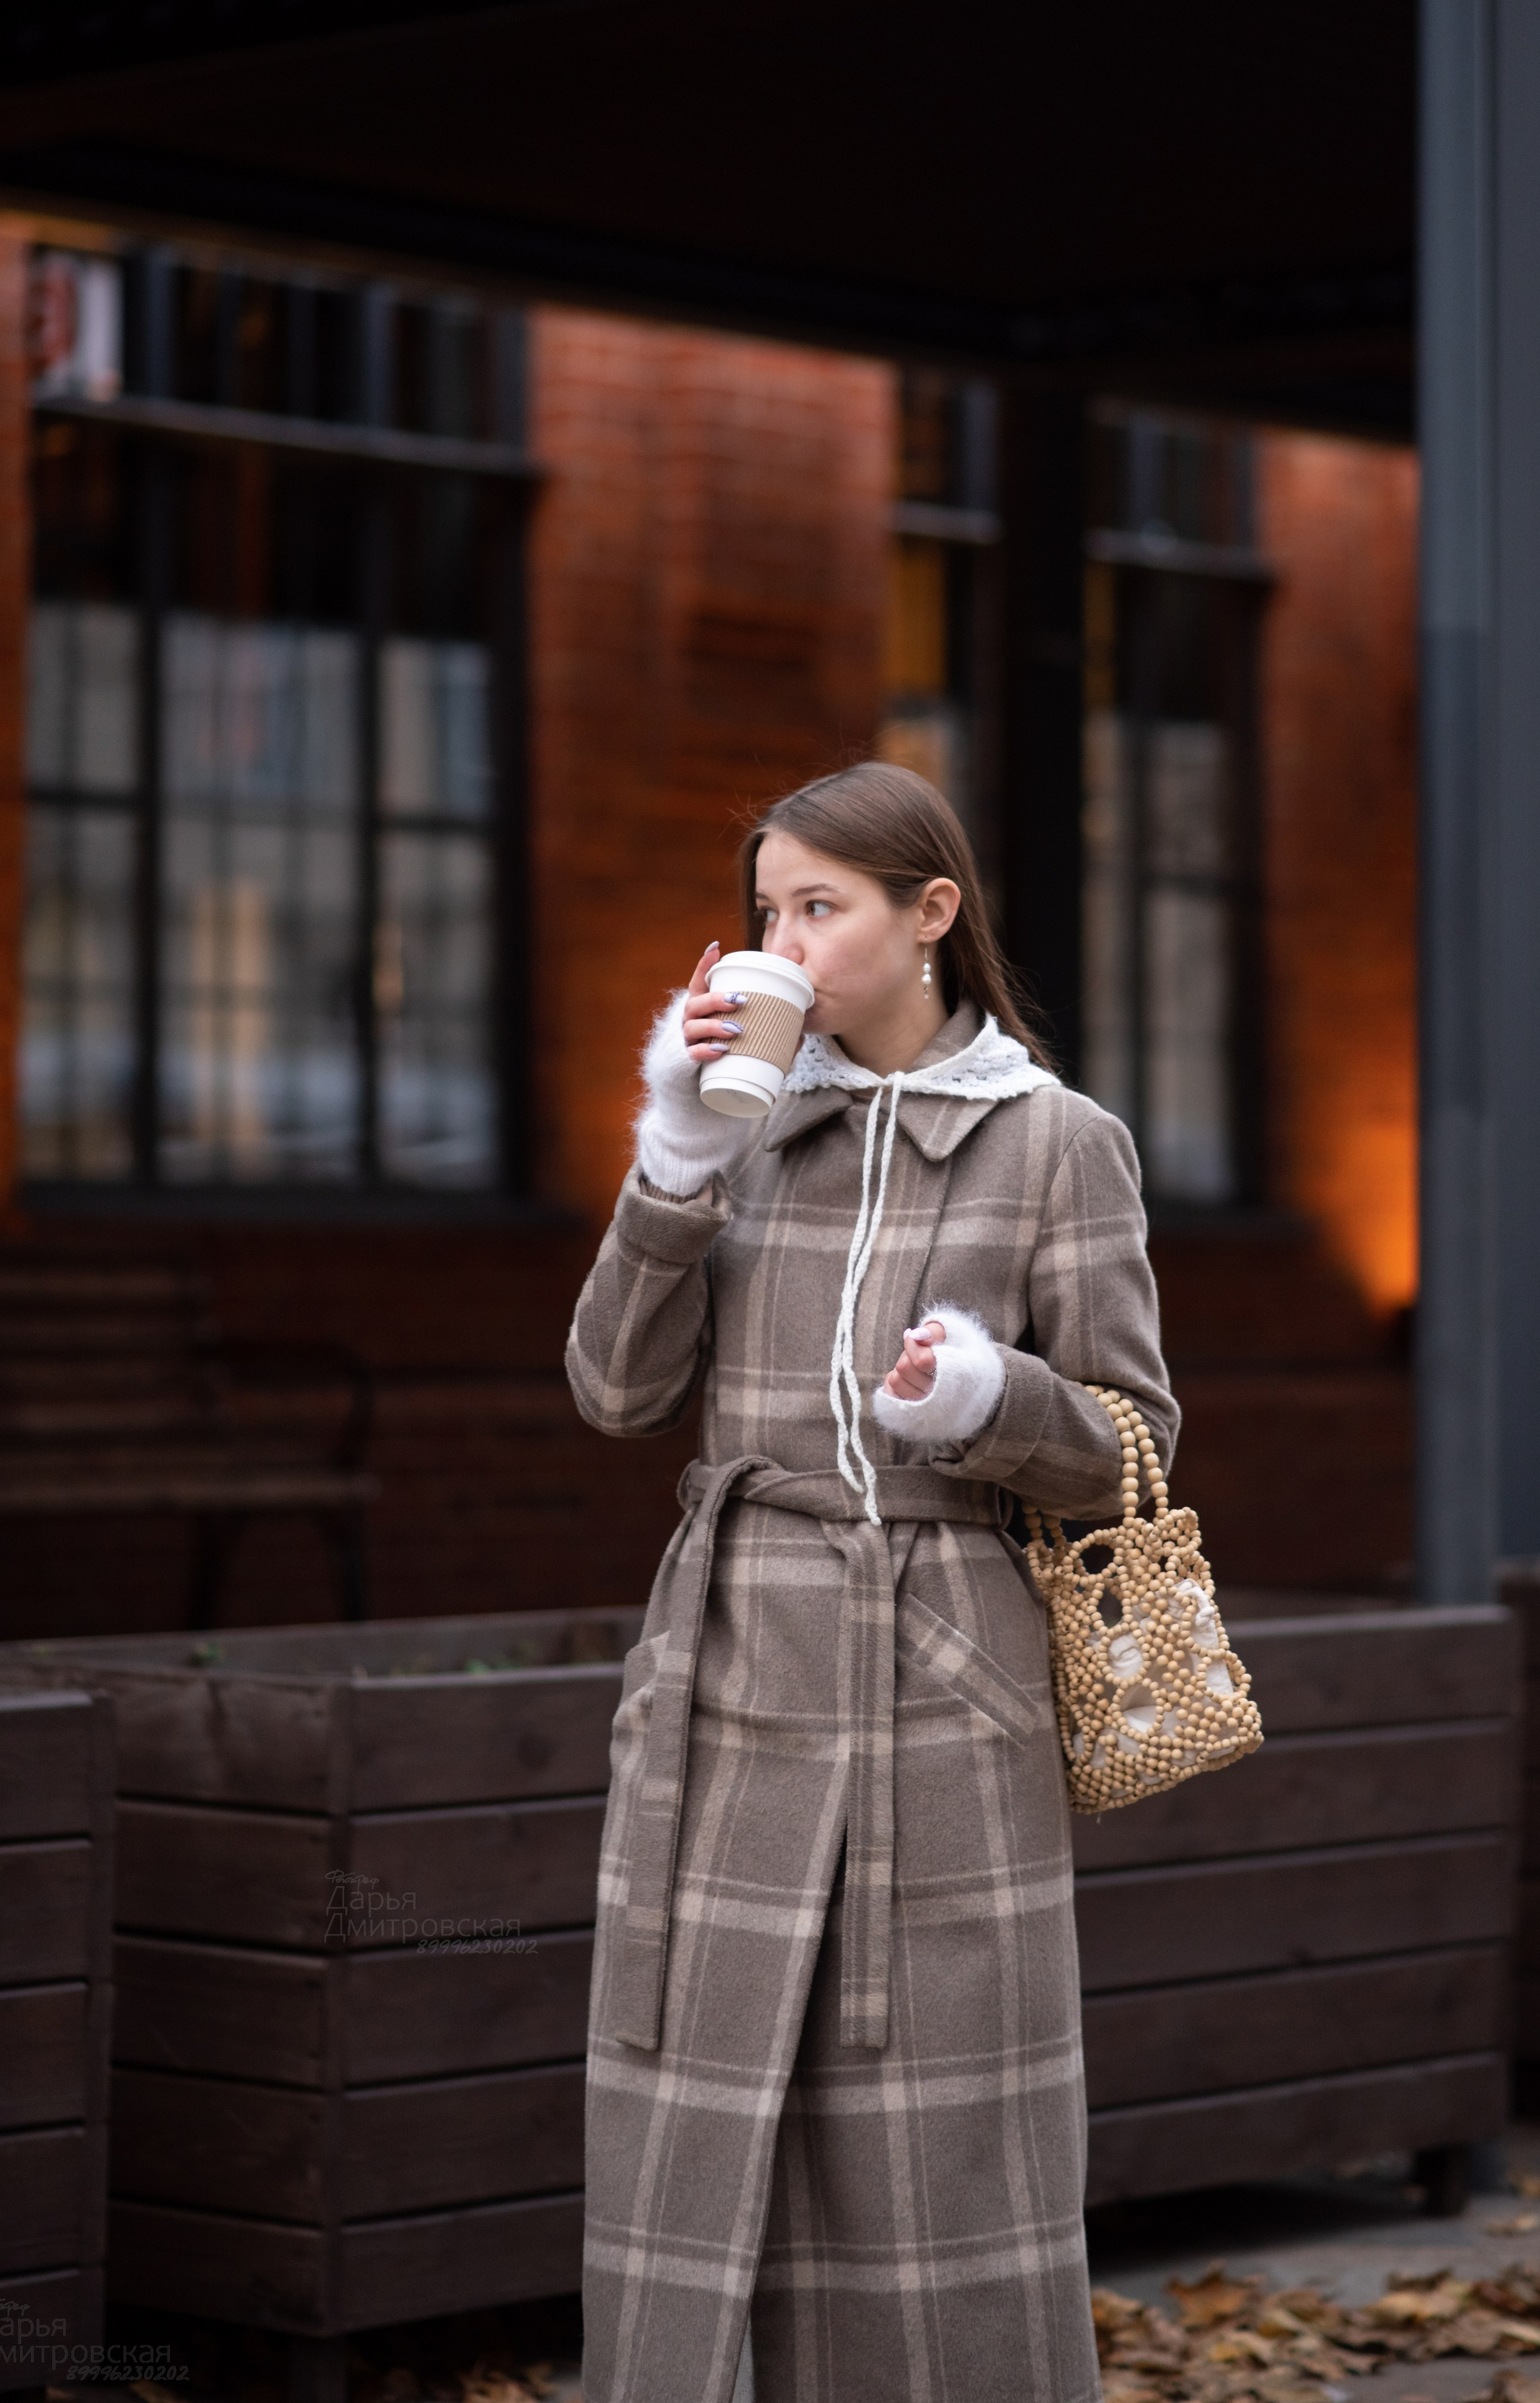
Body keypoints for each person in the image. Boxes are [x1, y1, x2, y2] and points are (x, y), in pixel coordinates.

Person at [567, 760, 1178, 2403]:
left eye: (819, 907)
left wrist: (992, 1400)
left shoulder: (1060, 1144)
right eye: (769, 908)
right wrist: (678, 1162)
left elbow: (1135, 1446)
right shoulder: (741, 1133)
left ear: (930, 914)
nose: (782, 941)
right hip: (730, 1671)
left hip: (950, 1681)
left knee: (941, 2137)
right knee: (690, 2105)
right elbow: (616, 1392)